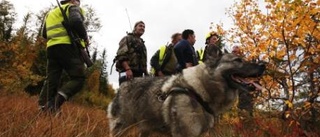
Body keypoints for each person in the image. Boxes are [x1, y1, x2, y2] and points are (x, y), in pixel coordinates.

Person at [38, 0, 89, 113]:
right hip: (67, 47)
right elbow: (76, 21)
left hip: (51, 48)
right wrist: (85, 37)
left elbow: (44, 34)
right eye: (78, 1)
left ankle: (43, 106)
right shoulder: (72, 7)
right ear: (72, 1)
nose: (79, 3)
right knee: (79, 78)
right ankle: (54, 104)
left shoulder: (51, 13)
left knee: (51, 79)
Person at [115, 21, 148, 85]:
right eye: (140, 26)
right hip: (126, 72)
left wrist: (146, 73)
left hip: (139, 75)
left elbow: (144, 61)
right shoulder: (127, 39)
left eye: (144, 27)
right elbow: (121, 55)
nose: (142, 28)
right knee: (125, 93)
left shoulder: (142, 44)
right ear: (135, 28)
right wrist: (128, 69)